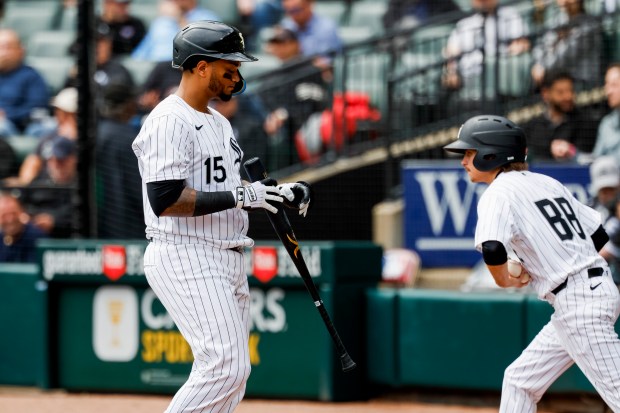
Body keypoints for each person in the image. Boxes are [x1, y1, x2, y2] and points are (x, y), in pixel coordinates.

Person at [131, 21, 312, 412]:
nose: (237, 73)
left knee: (233, 374)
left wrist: (277, 192)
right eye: (228, 64)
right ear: (200, 67)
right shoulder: (168, 120)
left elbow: (229, 190)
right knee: (224, 366)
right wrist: (243, 194)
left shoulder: (218, 121)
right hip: (186, 252)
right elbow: (166, 198)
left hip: (224, 253)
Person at [443, 114, 620, 412]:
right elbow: (599, 234)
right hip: (588, 293)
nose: (463, 160)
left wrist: (505, 280)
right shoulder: (546, 182)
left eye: (469, 152)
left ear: (491, 153)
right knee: (519, 382)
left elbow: (492, 247)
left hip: (579, 303)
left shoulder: (497, 191)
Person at [258, 26, 329, 168]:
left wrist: (284, 113)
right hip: (274, 122)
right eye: (275, 42)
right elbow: (263, 98)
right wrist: (271, 114)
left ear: (296, 44)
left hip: (301, 125)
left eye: (283, 42)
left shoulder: (309, 69)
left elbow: (313, 103)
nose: (279, 46)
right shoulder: (273, 73)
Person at [442, 0, 529, 112]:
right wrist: (451, 71)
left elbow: (522, 44)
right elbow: (451, 53)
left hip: (496, 83)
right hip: (468, 84)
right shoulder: (465, 24)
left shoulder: (509, 15)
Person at [96, 83, 143, 239]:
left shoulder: (95, 133)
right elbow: (139, 188)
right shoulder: (129, 139)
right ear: (127, 105)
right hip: (128, 227)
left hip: (99, 227)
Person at [4, 87, 78, 187]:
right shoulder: (49, 136)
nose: (59, 115)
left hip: (65, 191)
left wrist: (70, 135)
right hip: (42, 188)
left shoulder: (82, 141)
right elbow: (33, 162)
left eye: (66, 113)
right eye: (59, 110)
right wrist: (24, 184)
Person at [521, 70, 598, 162]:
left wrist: (570, 151)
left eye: (570, 90)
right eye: (560, 92)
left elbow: (586, 158)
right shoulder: (534, 126)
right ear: (545, 94)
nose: (568, 96)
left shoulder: (585, 123)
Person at [530, 0, 602, 90]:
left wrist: (543, 67)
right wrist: (538, 64)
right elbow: (541, 46)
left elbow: (564, 56)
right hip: (559, 80)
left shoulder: (589, 25)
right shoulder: (558, 20)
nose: (564, 2)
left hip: (583, 83)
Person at [21, 135, 78, 238]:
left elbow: (81, 215)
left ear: (73, 159)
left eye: (61, 160)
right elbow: (22, 200)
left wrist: (55, 221)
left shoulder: (82, 184)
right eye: (51, 160)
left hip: (69, 240)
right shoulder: (40, 180)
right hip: (37, 237)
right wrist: (25, 216)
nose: (56, 165)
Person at [0, 29, 50, 138]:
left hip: (17, 127)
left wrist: (7, 115)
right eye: (0, 48)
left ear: (20, 51)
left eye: (7, 47)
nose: (3, 53)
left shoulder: (31, 76)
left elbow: (38, 110)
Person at [0, 192, 46, 263]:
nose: (10, 219)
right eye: (4, 215)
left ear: (21, 212)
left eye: (13, 213)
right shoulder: (1, 237)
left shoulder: (35, 236)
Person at [592, 64, 620, 165]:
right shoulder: (606, 124)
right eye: (606, 85)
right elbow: (595, 162)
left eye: (614, 85)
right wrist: (573, 154)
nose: (608, 91)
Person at [382, 0, 461, 31]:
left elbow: (458, 16)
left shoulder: (441, 2)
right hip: (405, 38)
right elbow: (387, 19)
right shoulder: (399, 2)